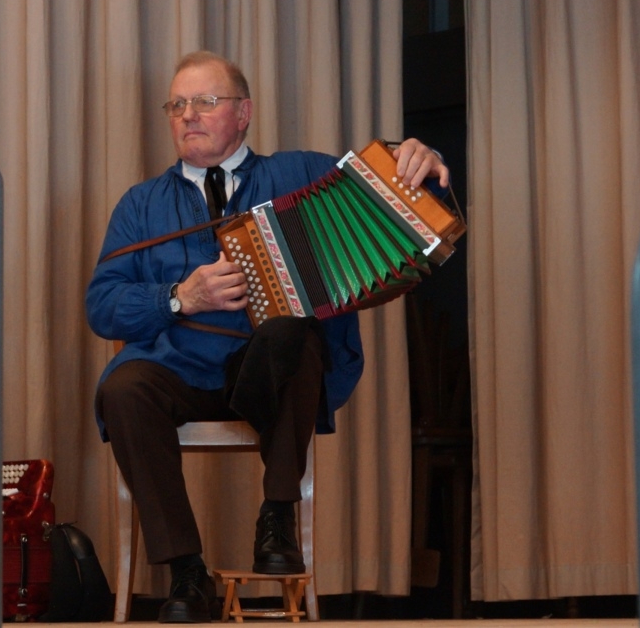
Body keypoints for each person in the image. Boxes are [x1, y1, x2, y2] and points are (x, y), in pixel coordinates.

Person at [85, 51, 449, 623]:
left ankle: (277, 516)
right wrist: (180, 297)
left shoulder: (302, 173)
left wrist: (423, 160)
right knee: (122, 389)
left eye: (205, 102)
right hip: (177, 372)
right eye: (177, 105)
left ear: (243, 113)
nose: (188, 115)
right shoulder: (140, 204)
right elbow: (101, 305)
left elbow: (404, 201)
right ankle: (186, 572)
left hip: (270, 376)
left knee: (295, 332)